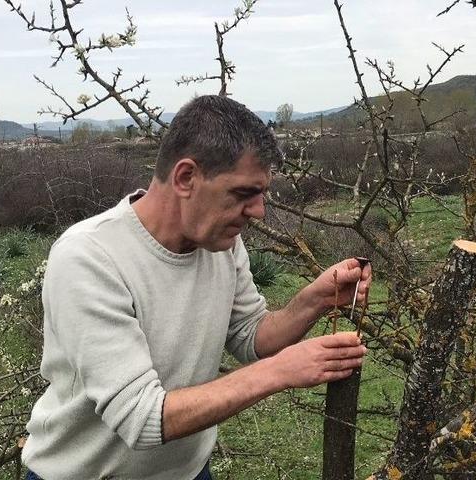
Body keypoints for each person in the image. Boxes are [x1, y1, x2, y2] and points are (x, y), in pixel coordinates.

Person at [22, 95, 371, 479]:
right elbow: (141, 416)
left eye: (261, 194)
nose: (258, 211)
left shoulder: (219, 243)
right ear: (186, 177)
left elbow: (250, 335)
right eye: (243, 194)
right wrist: (280, 371)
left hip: (188, 472)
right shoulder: (89, 257)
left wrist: (313, 300)